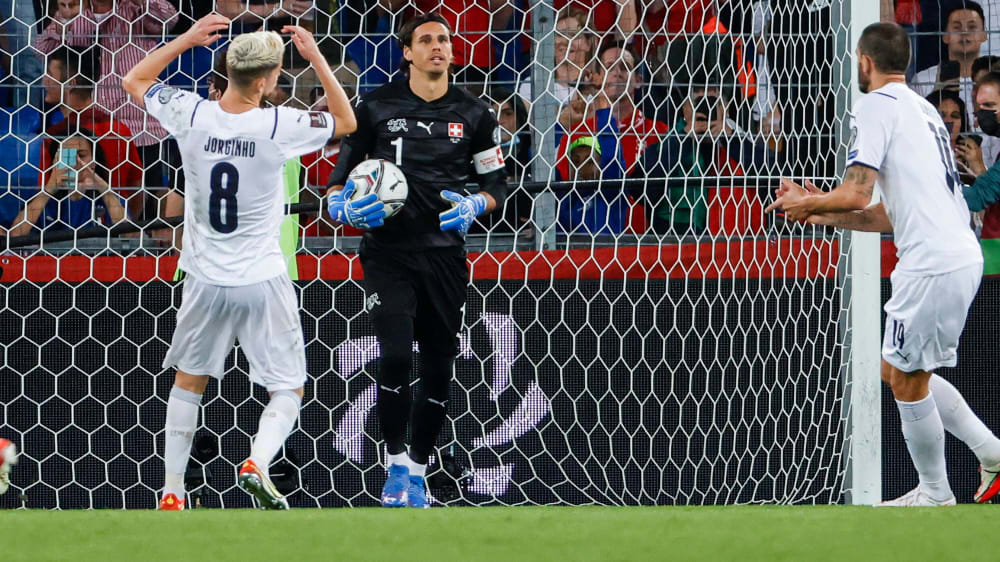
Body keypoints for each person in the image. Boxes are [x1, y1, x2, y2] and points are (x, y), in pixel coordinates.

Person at [122, 15, 357, 510]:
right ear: (270, 79)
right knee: (287, 385)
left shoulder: (192, 113)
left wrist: (185, 38)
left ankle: (171, 492)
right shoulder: (281, 123)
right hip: (263, 277)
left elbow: (134, 80)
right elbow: (346, 121)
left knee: (189, 381)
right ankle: (256, 461)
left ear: (227, 70)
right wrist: (316, 57)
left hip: (204, 278)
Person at [766, 23, 1000, 506]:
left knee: (906, 378)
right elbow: (885, 213)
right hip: (957, 254)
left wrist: (807, 204)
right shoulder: (923, 110)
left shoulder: (874, 105)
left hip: (932, 261)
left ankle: (936, 495)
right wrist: (818, 211)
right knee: (900, 370)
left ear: (864, 62)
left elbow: (856, 191)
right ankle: (992, 454)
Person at [325, 13, 507, 508]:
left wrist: (477, 205)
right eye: (426, 40)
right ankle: (395, 464)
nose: (438, 46)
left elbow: (498, 186)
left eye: (444, 39)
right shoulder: (377, 105)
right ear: (407, 51)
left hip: (446, 254)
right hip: (388, 252)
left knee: (439, 363)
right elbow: (340, 172)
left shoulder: (474, 114)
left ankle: (421, 470)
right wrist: (336, 202)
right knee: (397, 356)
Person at [9, 132, 127, 236]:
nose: (75, 162)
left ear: (94, 161)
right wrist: (49, 189)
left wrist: (104, 189)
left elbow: (130, 236)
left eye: (81, 156)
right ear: (56, 161)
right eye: (67, 157)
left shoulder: (109, 197)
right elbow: (16, 235)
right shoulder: (43, 200)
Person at [910, 2, 987, 123]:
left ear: (984, 35)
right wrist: (936, 97)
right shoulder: (922, 80)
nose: (964, 32)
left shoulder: (995, 78)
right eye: (957, 27)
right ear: (945, 36)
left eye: (972, 27)